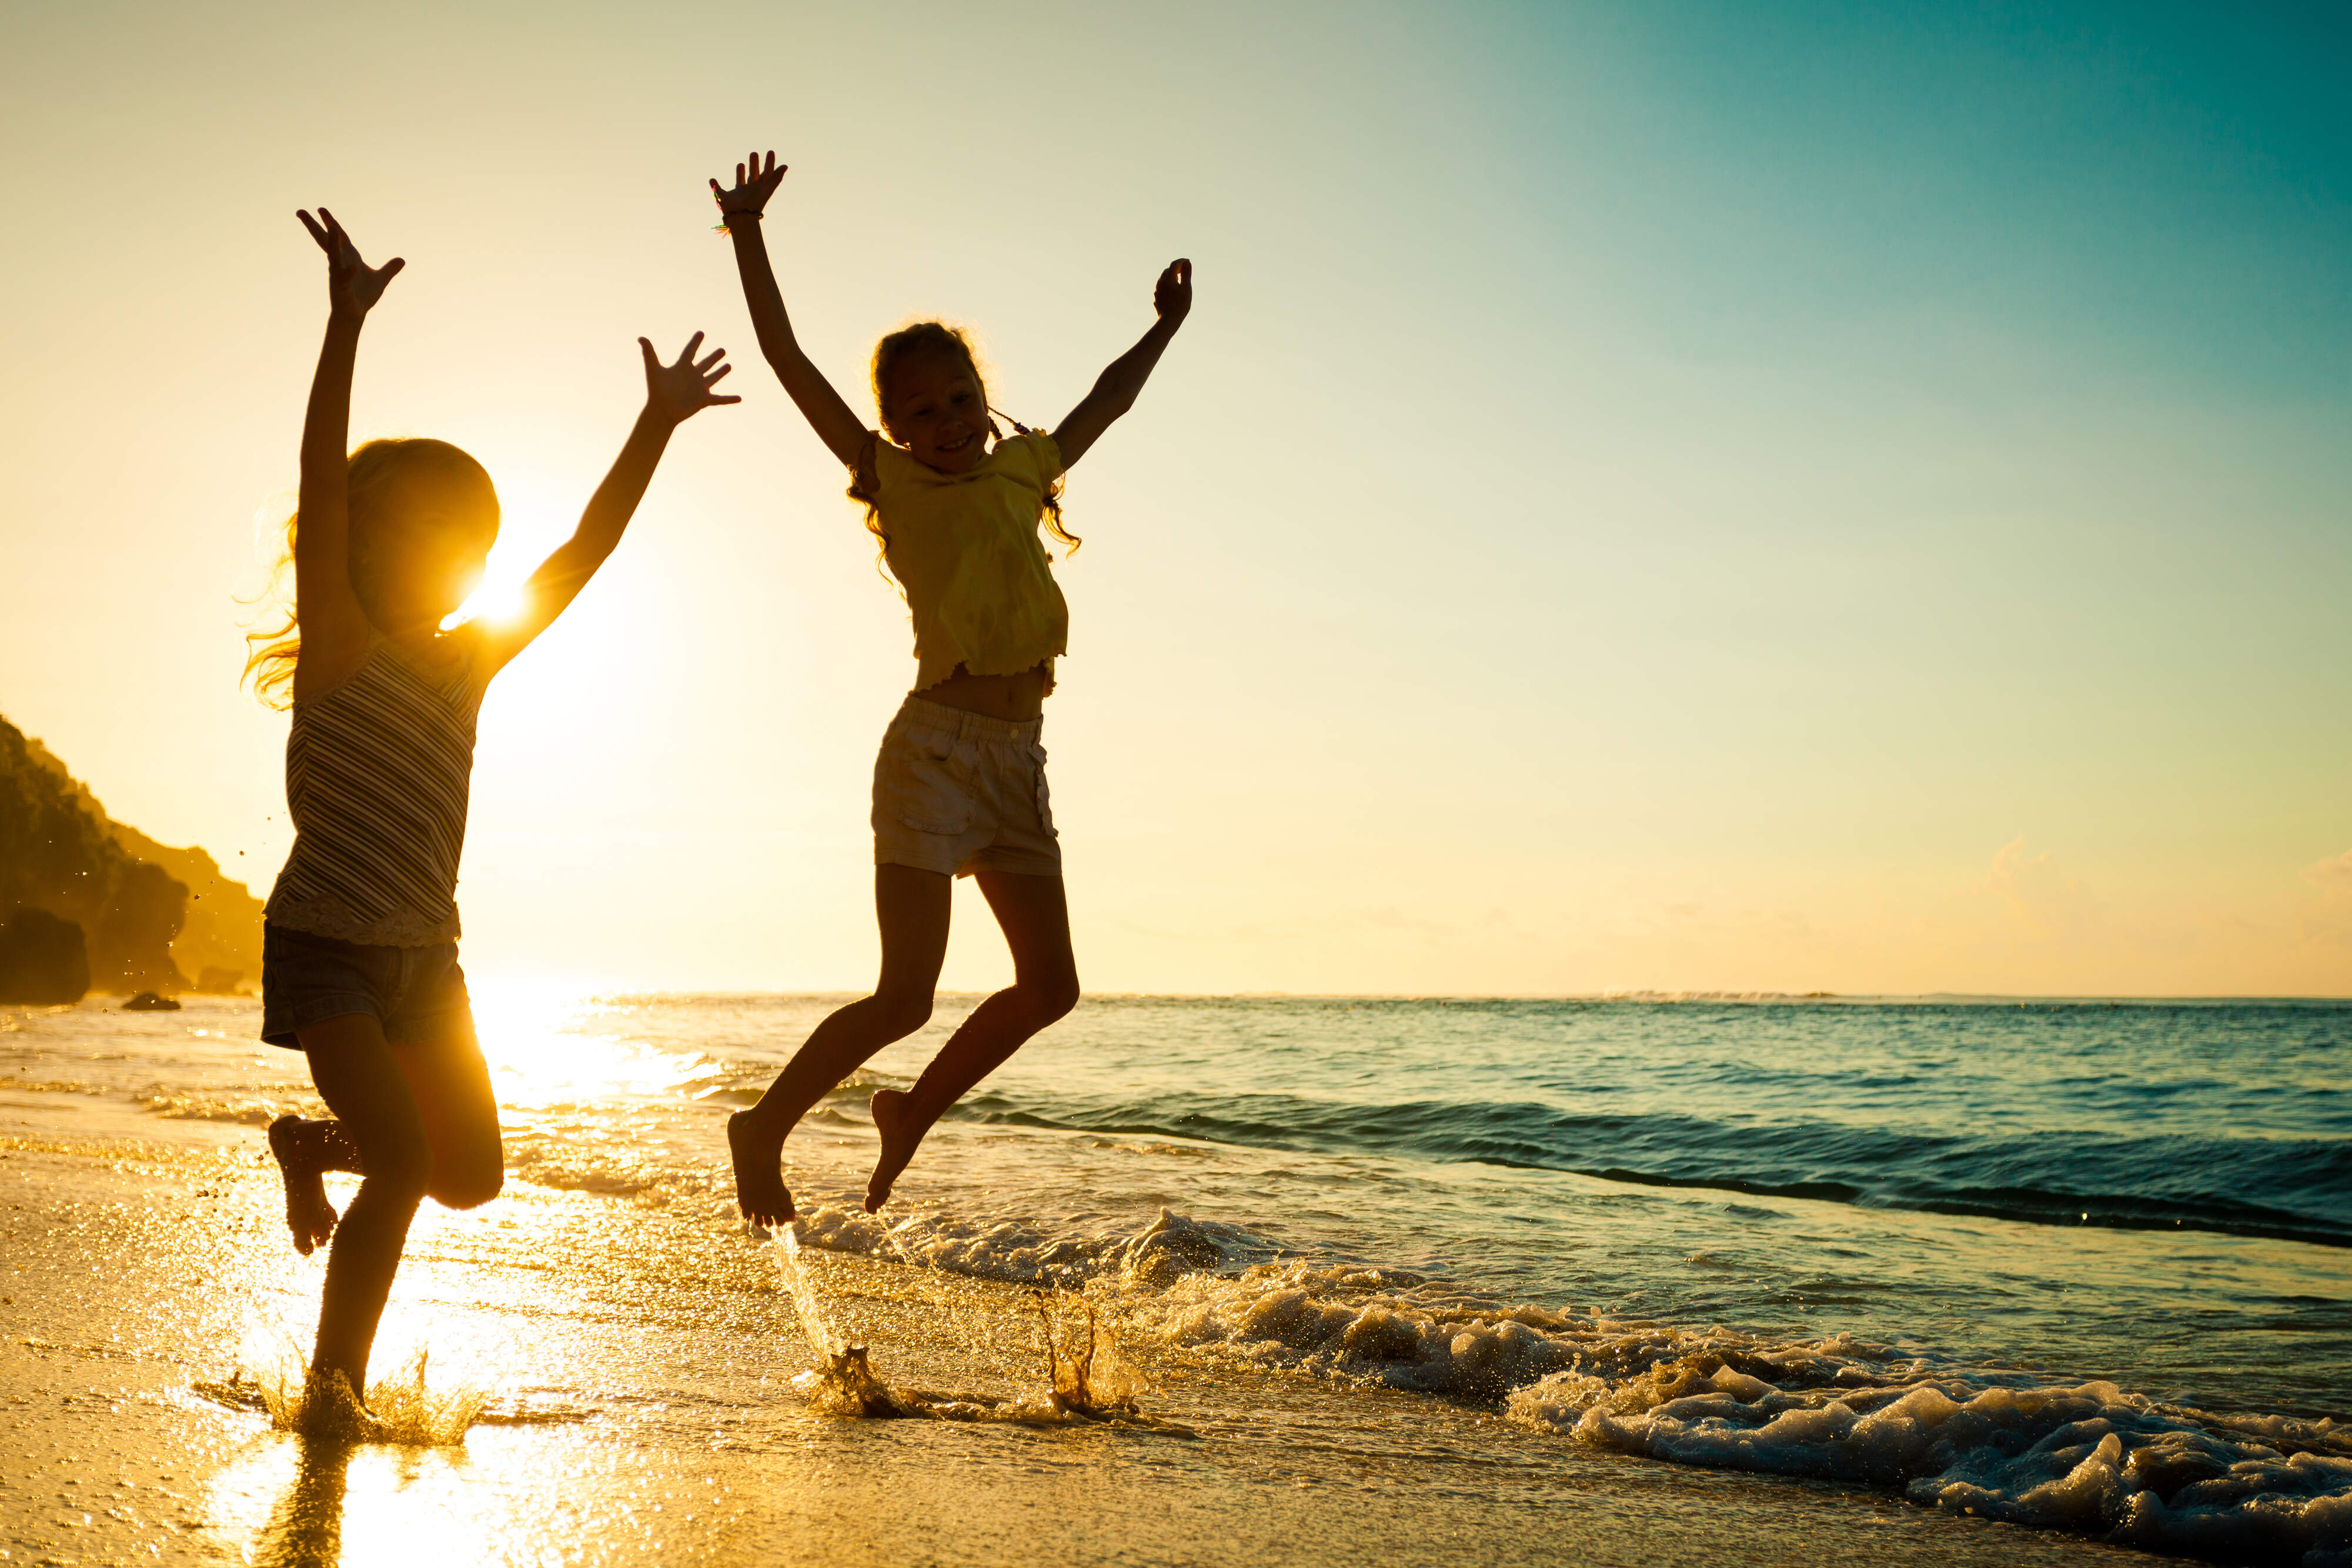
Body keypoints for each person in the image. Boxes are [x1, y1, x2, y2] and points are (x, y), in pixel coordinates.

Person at [250, 206, 737, 1407]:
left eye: (473, 542)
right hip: (326, 950)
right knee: (404, 1162)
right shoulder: (340, 645)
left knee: (468, 1174)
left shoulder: (469, 659)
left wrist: (654, 424)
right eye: (432, 534)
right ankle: (334, 1390)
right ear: (365, 545)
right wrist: (343, 325)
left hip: (429, 956)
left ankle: (309, 1144)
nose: (461, 559)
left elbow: (581, 552)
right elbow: (318, 480)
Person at [708, 149, 1192, 1225]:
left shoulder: (1023, 469)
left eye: (961, 398)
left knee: (1051, 987)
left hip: (1016, 762)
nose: (948, 421)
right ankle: (762, 1127)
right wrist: (748, 232)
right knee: (904, 996)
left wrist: (1162, 329)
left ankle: (912, 1111)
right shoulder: (890, 481)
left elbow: (1108, 401)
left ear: (984, 396)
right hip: (932, 755)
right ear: (893, 428)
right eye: (921, 411)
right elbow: (787, 358)